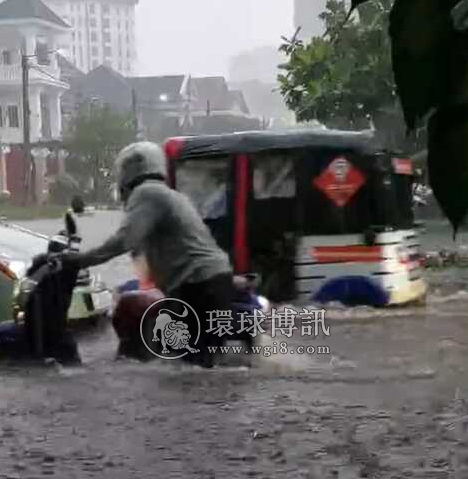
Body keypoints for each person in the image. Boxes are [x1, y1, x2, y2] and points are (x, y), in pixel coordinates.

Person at [49, 142, 233, 367]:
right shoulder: (169, 195)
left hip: (197, 286)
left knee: (188, 367)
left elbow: (125, 240)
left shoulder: (147, 193)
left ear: (129, 170)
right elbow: (145, 247)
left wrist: (80, 260)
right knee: (195, 363)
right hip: (211, 282)